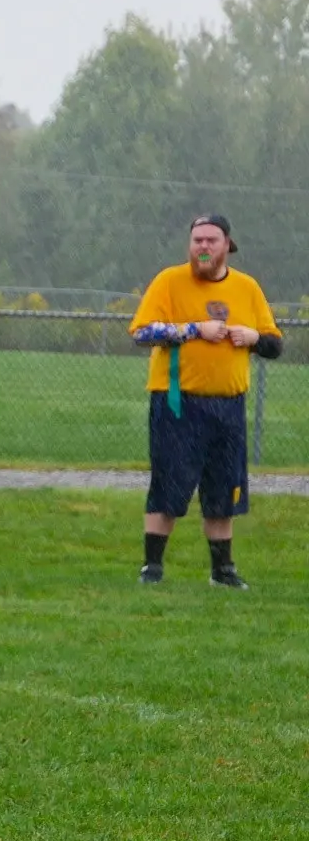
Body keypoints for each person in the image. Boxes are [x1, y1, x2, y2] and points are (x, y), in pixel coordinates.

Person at [129, 214, 281, 588]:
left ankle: (223, 571)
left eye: (211, 240)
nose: (203, 247)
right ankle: (152, 568)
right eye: (197, 240)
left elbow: (274, 344)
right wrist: (194, 329)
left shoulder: (247, 288)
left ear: (227, 245)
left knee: (224, 489)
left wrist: (252, 337)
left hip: (227, 407)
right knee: (169, 485)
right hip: (178, 403)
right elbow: (142, 332)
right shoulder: (169, 281)